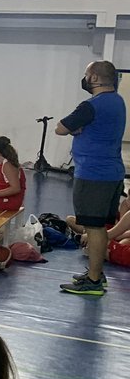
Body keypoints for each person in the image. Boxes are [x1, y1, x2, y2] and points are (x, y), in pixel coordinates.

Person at [55, 60, 127, 295]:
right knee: (99, 226)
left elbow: (61, 128)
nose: (85, 79)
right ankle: (97, 273)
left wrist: (75, 129)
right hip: (112, 173)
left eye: (87, 75)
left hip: (94, 175)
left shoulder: (91, 105)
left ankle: (94, 281)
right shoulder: (118, 101)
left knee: (94, 228)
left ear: (95, 78)